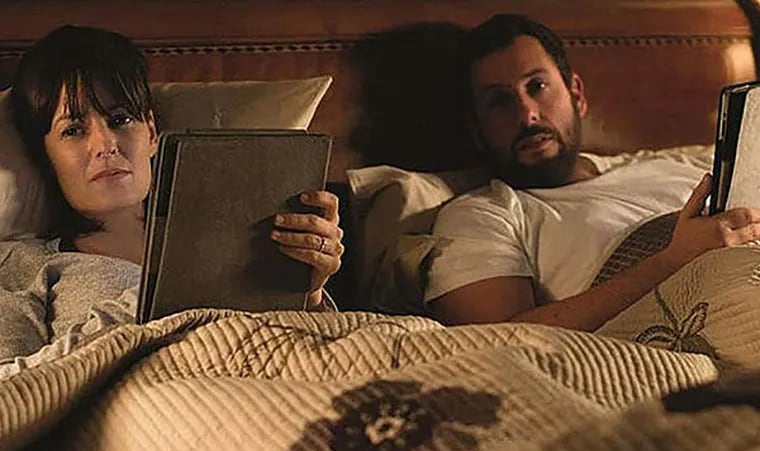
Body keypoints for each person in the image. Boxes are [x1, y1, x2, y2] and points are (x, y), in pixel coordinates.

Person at [0, 25, 343, 358]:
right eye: (74, 130)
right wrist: (145, 307)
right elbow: (16, 385)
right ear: (45, 156)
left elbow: (312, 354)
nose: (105, 144)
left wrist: (310, 293)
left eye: (120, 120)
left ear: (151, 133)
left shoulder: (238, 243)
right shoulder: (25, 266)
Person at [426, 14, 760, 331]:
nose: (527, 115)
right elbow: (500, 339)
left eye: (537, 86)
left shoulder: (680, 164)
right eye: (499, 101)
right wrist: (673, 261)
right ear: (477, 128)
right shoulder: (484, 214)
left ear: (576, 94)